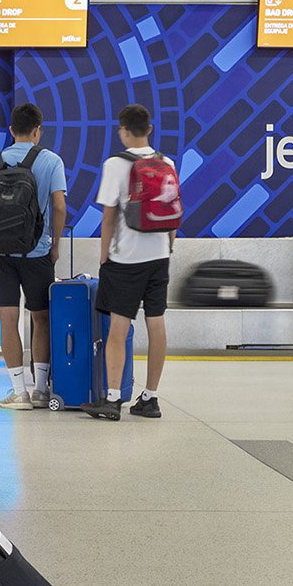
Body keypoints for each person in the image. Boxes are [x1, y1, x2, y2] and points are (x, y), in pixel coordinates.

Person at [83, 104, 174, 422]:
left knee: (118, 329)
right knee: (156, 323)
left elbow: (108, 217)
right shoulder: (167, 162)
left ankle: (112, 399)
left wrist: (104, 254)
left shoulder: (115, 164)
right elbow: (173, 213)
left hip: (126, 259)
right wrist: (168, 248)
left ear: (122, 130)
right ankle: (150, 397)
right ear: (149, 129)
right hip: (159, 256)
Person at [0, 103, 67, 411]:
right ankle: (41, 390)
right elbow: (60, 207)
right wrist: (54, 246)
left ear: (12, 131)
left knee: (7, 320)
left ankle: (18, 392)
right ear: (38, 130)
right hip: (37, 251)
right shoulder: (51, 161)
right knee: (41, 318)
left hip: (0, 253)